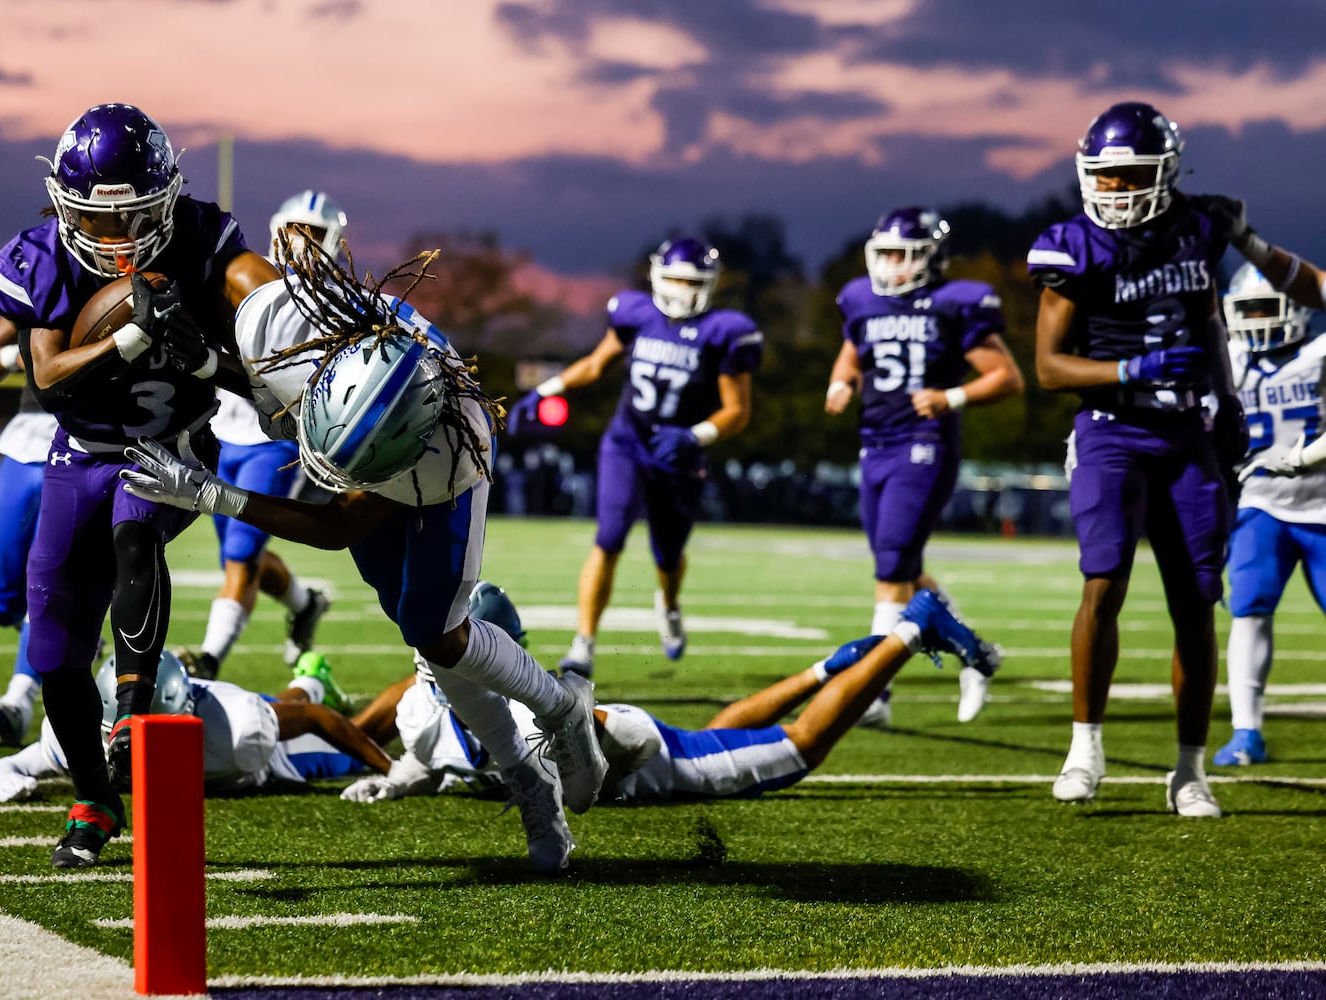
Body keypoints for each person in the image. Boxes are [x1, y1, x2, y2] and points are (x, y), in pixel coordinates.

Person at [119, 240, 607, 873]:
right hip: (362, 411)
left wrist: (210, 494)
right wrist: (212, 362)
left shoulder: (438, 459)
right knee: (420, 631)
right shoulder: (279, 320)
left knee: (436, 629)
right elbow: (264, 358)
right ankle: (530, 777)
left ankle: (558, 713)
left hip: (437, 452)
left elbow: (334, 528)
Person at [0, 102, 286, 868]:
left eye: (135, 218)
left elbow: (269, 358)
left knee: (133, 529)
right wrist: (130, 336)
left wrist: (215, 357)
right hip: (81, 448)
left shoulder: (202, 240)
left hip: (175, 443)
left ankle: (134, 704)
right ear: (64, 203)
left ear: (167, 199)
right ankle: (93, 799)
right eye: (98, 219)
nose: (116, 239)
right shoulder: (40, 257)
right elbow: (48, 377)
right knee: (51, 645)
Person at [1028, 101, 1254, 817]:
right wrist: (1133, 370)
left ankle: (1188, 772)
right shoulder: (1074, 245)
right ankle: (1083, 748)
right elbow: (1048, 367)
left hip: (1185, 432)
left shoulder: (1197, 229)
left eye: (1130, 177)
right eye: (1107, 177)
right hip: (1110, 431)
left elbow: (1210, 321)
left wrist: (1228, 399)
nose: (1116, 190)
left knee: (1196, 601)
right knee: (1104, 582)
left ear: (1163, 173)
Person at [341, 585, 989, 805]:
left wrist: (595, 764)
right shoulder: (421, 710)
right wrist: (399, 779)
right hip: (623, 741)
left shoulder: (474, 707)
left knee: (800, 749)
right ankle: (827, 670)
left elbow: (635, 739)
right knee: (712, 732)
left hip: (638, 756)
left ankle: (911, 628)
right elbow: (437, 753)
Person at [507, 237, 762, 677]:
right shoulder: (636, 314)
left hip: (680, 452)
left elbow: (738, 410)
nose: (683, 290)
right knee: (608, 539)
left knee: (668, 554)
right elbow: (597, 363)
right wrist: (548, 388)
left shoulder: (726, 331)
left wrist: (696, 435)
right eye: (677, 279)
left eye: (693, 281)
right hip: (627, 443)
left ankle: (668, 601)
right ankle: (583, 645)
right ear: (658, 277)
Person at [826, 207, 1021, 722]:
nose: (892, 264)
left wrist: (950, 397)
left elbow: (1005, 376)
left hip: (925, 442)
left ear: (933, 260)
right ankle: (973, 653)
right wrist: (841, 383)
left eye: (904, 254)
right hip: (875, 442)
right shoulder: (862, 300)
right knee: (902, 567)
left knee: (892, 564)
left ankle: (873, 694)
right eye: (885, 253)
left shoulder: (955, 304)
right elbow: (852, 350)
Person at [177, 192, 350, 684]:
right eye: (294, 229)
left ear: (332, 241)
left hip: (275, 440)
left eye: (312, 233)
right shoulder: (249, 281)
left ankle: (207, 661)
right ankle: (304, 602)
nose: (300, 241)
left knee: (241, 556)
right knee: (240, 553)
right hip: (222, 433)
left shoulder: (336, 301)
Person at [0, 651, 393, 801]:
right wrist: (6, 784)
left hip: (257, 740)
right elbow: (8, 766)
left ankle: (424, 685)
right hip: (235, 711)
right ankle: (311, 679)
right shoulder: (76, 731)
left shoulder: (238, 730)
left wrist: (391, 771)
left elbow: (318, 722)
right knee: (282, 706)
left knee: (362, 734)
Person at [1211, 265, 1326, 766]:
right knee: (1250, 608)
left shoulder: (1320, 355)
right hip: (1261, 505)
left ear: (1296, 307)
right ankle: (1246, 731)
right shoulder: (1229, 359)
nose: (1255, 321)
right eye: (1247, 310)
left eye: (1265, 307)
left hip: (1323, 506)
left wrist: (1303, 458)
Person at [0, 316, 60, 746]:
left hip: (86, 444)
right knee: (2, 598)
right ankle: (71, 634)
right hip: (25, 444)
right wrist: (15, 354)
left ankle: (18, 699)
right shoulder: (38, 285)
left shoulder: (127, 286)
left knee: (48, 582)